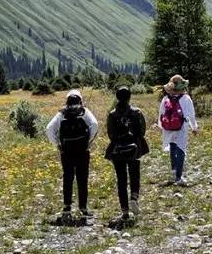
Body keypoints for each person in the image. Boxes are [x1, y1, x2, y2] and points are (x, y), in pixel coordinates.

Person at [45, 90, 98, 225]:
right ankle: (83, 208)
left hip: (67, 151)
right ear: (80, 100)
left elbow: (49, 129)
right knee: (82, 178)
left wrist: (58, 144)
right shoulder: (84, 112)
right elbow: (95, 125)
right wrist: (88, 142)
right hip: (82, 150)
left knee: (68, 178)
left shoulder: (62, 113)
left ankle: (67, 207)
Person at [104, 85, 150, 228]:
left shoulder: (112, 114)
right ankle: (134, 197)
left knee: (121, 180)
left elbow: (110, 134)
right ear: (129, 97)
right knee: (135, 174)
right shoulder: (137, 112)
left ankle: (124, 212)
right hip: (134, 148)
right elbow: (142, 131)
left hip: (118, 150)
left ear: (117, 97)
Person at [158, 74, 198, 186]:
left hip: (168, 128)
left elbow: (161, 114)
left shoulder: (166, 98)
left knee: (172, 147)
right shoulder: (186, 98)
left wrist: (161, 127)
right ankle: (179, 177)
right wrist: (194, 127)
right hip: (181, 127)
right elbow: (191, 115)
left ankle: (174, 169)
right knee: (181, 149)